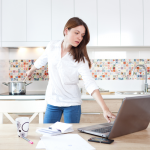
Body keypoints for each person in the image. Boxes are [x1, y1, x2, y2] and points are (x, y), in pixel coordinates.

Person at [26, 17, 116, 123]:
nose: (80, 38)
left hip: (72, 104)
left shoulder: (80, 58)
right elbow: (41, 60)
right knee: (48, 135)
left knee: (71, 136)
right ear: (66, 31)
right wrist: (30, 70)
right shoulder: (52, 46)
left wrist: (105, 109)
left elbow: (90, 83)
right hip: (53, 101)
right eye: (76, 33)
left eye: (82, 35)